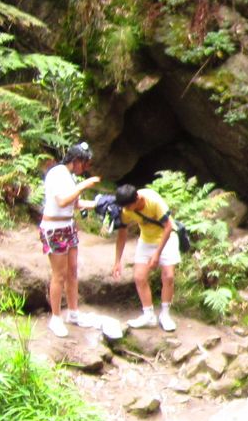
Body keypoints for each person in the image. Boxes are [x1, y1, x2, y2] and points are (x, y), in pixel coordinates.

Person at [40, 142, 101, 338]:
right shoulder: (57, 174)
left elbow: (75, 204)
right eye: (84, 164)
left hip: (68, 226)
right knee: (59, 274)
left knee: (73, 271)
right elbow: (62, 201)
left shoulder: (70, 177)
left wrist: (100, 204)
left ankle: (74, 313)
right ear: (75, 161)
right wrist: (84, 185)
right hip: (54, 228)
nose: (85, 168)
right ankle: (55, 318)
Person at [112, 183, 182, 332]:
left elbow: (168, 226)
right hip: (146, 240)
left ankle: (165, 314)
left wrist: (157, 254)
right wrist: (117, 261)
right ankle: (148, 315)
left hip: (167, 238)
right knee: (139, 277)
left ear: (137, 198)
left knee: (168, 276)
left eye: (130, 206)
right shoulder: (126, 209)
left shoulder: (153, 201)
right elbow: (122, 234)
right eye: (125, 207)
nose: (128, 210)